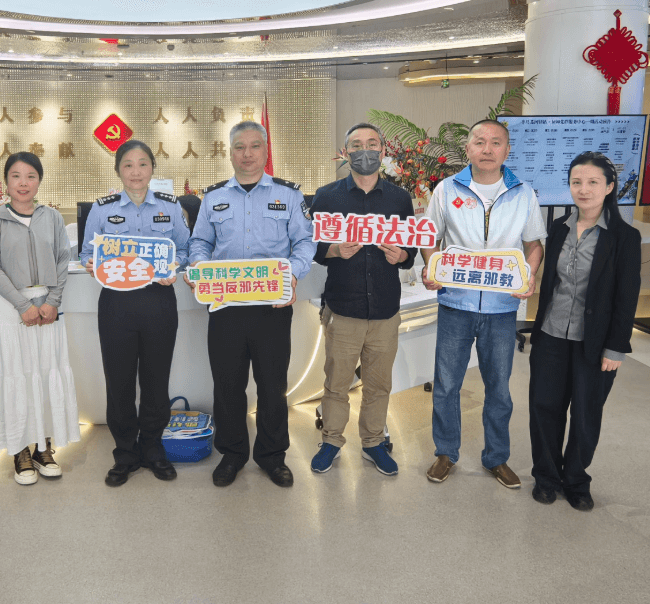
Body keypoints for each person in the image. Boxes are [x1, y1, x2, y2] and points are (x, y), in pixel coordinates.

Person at [188, 120, 315, 488]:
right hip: (225, 306)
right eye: (239, 147)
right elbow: (200, 243)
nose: (247, 154)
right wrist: (200, 268)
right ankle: (232, 454)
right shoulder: (212, 198)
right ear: (230, 153)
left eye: (254, 146)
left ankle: (272, 456)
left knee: (272, 386)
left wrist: (291, 275)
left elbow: (304, 242)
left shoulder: (288, 195)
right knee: (227, 385)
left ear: (265, 150)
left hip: (271, 306)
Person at [420, 119, 546, 488]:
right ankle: (446, 452)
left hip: (502, 308)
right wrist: (432, 266)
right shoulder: (447, 189)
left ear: (507, 149)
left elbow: (533, 244)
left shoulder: (523, 193)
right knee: (446, 384)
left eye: (495, 142)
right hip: (455, 304)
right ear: (468, 149)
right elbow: (430, 237)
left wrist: (529, 274)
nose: (487, 149)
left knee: (499, 388)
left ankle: (496, 457)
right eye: (479, 142)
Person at [529, 152, 641, 511]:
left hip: (595, 341)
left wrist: (617, 346)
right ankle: (546, 477)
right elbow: (551, 283)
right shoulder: (558, 228)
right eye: (577, 182)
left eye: (593, 182)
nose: (584, 189)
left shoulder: (625, 237)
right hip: (551, 334)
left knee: (586, 413)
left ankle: (576, 480)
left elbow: (627, 295)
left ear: (609, 187)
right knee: (544, 408)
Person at [79, 139, 190, 486]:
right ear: (118, 170)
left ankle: (153, 449)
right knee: (120, 381)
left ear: (152, 169)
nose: (136, 172)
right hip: (117, 305)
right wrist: (92, 264)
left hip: (159, 302)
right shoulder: (102, 209)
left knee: (156, 380)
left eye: (143, 164)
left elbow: (185, 249)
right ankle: (125, 453)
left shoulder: (171, 207)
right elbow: (86, 253)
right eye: (128, 165)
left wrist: (174, 265)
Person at [308, 122, 414, 476]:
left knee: (379, 385)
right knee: (336, 383)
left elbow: (411, 250)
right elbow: (313, 247)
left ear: (382, 151)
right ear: (345, 152)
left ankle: (373, 443)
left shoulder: (399, 198)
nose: (364, 150)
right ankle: (331, 440)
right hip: (344, 308)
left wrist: (402, 255)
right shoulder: (327, 196)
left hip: (385, 310)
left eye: (371, 144)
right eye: (356, 145)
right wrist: (335, 250)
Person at [0, 152, 80, 485]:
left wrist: (52, 301)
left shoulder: (51, 217)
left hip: (48, 307)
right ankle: (20, 450)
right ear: (6, 181)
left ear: (39, 181)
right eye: (16, 176)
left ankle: (43, 448)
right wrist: (23, 305)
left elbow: (63, 260)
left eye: (31, 176)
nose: (23, 183)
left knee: (45, 373)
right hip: (11, 309)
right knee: (17, 375)